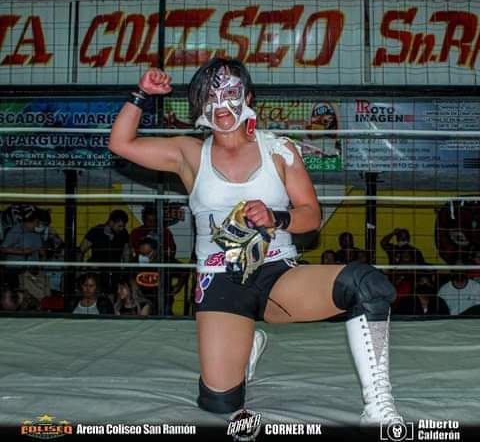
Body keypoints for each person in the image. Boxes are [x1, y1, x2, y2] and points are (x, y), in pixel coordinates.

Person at [109, 58, 403, 425]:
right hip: (220, 281)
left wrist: (276, 218)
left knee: (366, 285)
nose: (221, 103)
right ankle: (245, 346)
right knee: (220, 403)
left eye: (230, 92)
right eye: (210, 96)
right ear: (199, 106)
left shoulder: (278, 149)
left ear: (248, 97)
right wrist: (142, 94)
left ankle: (377, 405)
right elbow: (120, 143)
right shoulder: (189, 153)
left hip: (276, 275)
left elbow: (310, 214)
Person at [79, 209, 129, 294]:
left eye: (123, 226)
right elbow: (81, 250)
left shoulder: (124, 233)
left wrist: (125, 271)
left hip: (115, 272)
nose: (121, 228)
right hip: (96, 272)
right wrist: (79, 270)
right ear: (111, 222)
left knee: (113, 295)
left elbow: (126, 253)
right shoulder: (96, 231)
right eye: (119, 226)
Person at [0, 207, 44, 289]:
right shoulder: (16, 230)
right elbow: (3, 248)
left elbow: (39, 250)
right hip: (15, 270)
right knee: (17, 292)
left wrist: (41, 253)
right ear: (35, 221)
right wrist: (23, 251)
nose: (41, 226)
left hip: (32, 270)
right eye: (40, 223)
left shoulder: (36, 233)